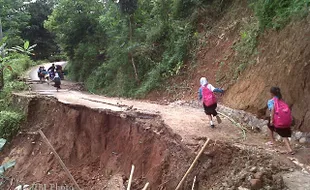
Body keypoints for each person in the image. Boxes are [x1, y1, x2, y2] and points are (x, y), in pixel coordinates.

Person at [266, 87, 294, 155]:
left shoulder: (271, 101)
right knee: (284, 135)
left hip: (277, 120)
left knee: (269, 127)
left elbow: (272, 110)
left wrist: (272, 120)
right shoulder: (282, 100)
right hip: (284, 121)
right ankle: (290, 149)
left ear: (271, 93)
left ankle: (272, 141)